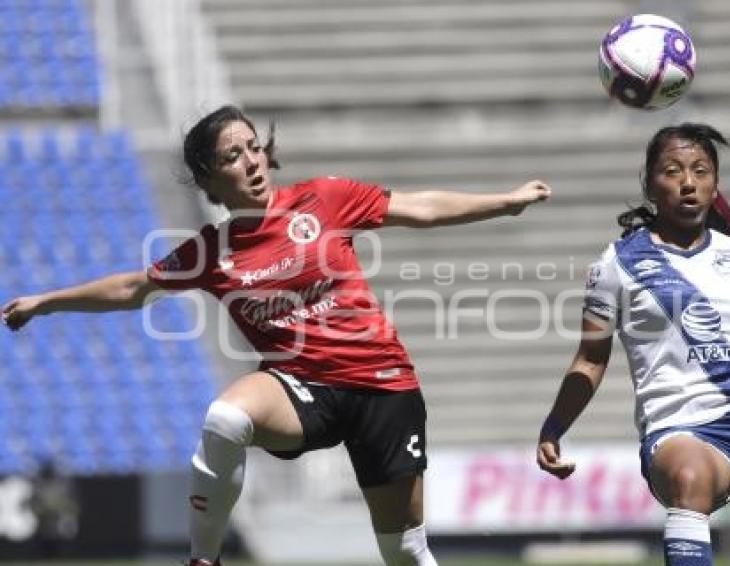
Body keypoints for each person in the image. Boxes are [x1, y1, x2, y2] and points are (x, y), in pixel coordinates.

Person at [2, 105, 552, 566]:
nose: (251, 161)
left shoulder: (324, 199)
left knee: (405, 553)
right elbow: (132, 288)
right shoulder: (210, 250)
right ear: (209, 179)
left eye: (252, 146)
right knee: (225, 418)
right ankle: (203, 559)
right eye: (231, 156)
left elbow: (419, 207)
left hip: (382, 387)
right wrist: (45, 303)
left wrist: (506, 201)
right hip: (301, 387)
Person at [535, 123, 730, 564]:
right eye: (673, 171)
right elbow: (590, 360)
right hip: (681, 426)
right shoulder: (617, 265)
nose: (688, 182)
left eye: (701, 171)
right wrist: (553, 427)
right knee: (690, 477)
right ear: (649, 184)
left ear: (715, 185)